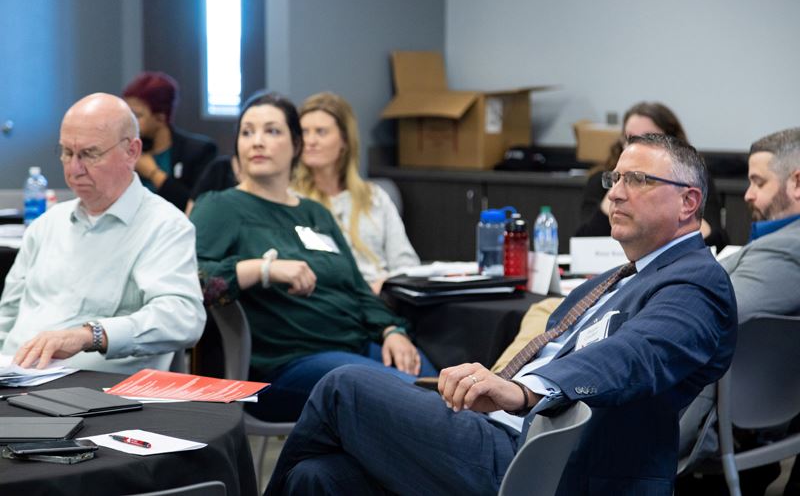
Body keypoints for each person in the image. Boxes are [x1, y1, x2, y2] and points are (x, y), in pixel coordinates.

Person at [266, 134, 738, 496]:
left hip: (546, 462)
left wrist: (523, 391)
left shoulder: (696, 283)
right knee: (318, 477)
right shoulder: (621, 275)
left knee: (343, 386)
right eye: (614, 179)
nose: (615, 193)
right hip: (505, 435)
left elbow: (635, 357)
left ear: (688, 202)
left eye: (637, 180)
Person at [190, 91, 436, 422]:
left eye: (272, 131)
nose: (257, 142)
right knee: (408, 399)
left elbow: (356, 288)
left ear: (296, 145)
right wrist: (264, 269)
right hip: (285, 365)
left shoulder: (314, 213)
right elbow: (193, 281)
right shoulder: (221, 206)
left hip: (355, 347)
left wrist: (392, 330)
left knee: (440, 388)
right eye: (247, 132)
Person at [0, 93, 205, 373]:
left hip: (94, 396)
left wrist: (90, 335)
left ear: (132, 151)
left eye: (89, 154)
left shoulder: (163, 226)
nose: (74, 170)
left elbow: (183, 318)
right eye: (67, 153)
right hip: (15, 382)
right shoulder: (47, 225)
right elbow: (7, 315)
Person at [676, 127, 800, 495]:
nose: (747, 195)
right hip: (763, 412)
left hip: (712, 418)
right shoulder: (776, 244)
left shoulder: (786, 251)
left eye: (758, 182)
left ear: (797, 184)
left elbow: (706, 316)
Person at [294, 92, 420, 294]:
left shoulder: (375, 196)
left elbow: (406, 263)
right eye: (304, 132)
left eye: (321, 132)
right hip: (332, 301)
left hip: (385, 297)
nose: (310, 141)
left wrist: (387, 285)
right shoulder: (292, 201)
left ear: (344, 140)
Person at [575, 101, 728, 250]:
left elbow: (717, 240)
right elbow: (582, 245)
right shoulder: (602, 182)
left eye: (648, 138)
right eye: (630, 139)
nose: (636, 146)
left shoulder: (692, 182)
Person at [123, 71, 218, 211]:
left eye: (136, 115)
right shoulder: (124, 149)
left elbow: (198, 207)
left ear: (161, 117)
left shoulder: (199, 151)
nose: (129, 122)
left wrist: (154, 173)